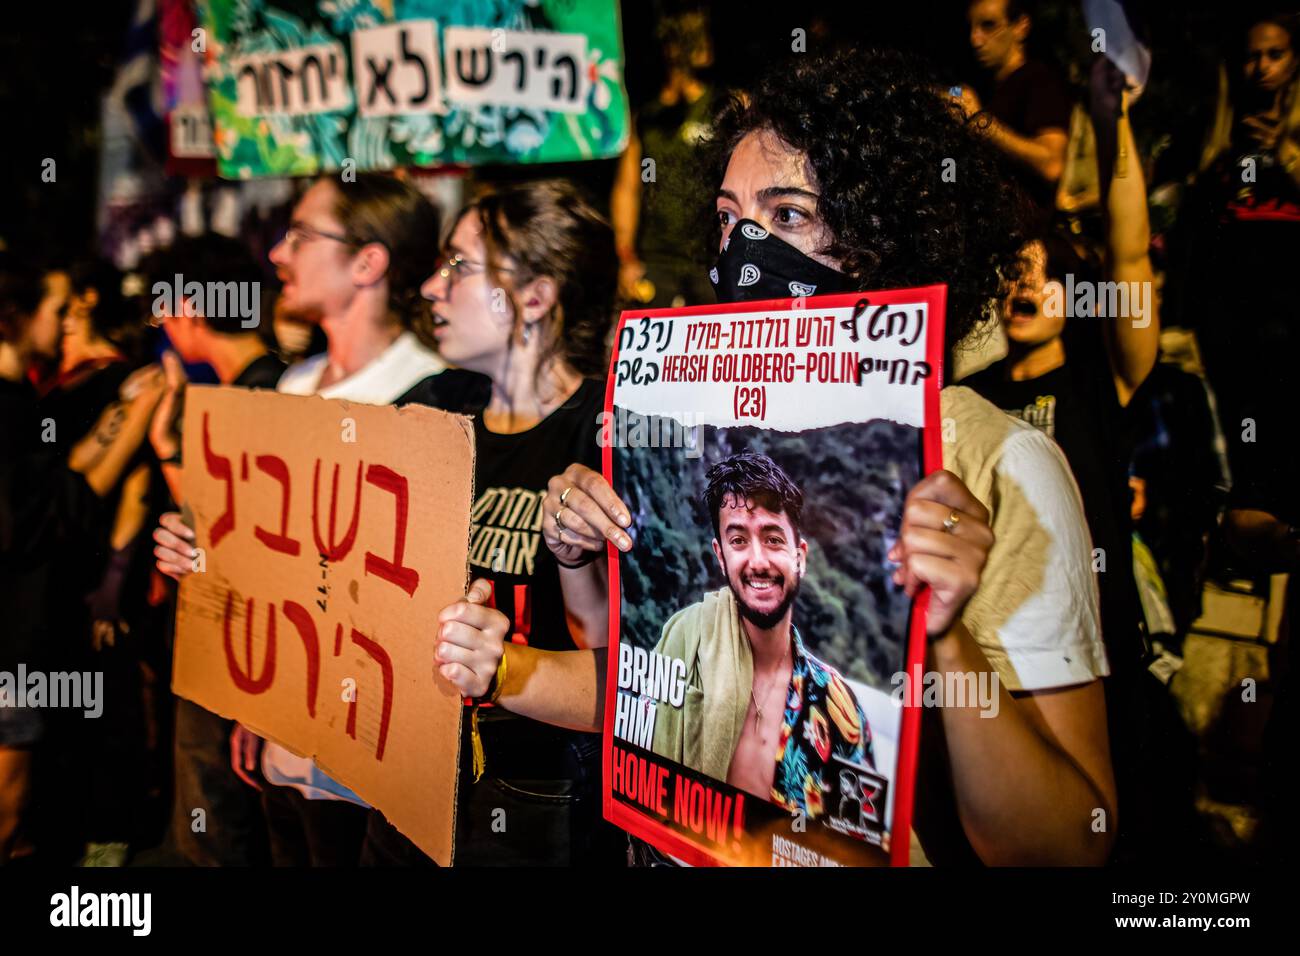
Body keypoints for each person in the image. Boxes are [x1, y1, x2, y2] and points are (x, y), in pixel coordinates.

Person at [444, 48, 1118, 866]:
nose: (745, 251)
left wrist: (942, 637)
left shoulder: (1001, 461)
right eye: (729, 219)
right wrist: (521, 638)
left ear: (882, 239)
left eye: (789, 216)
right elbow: (656, 697)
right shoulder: (689, 428)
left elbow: (1066, 843)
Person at [153, 173, 485, 866]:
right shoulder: (283, 388)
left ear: (368, 262)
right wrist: (202, 551)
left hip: (374, 780)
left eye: (303, 236)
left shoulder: (440, 400)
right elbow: (272, 570)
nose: (279, 253)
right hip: (284, 758)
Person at [370, 179, 621, 866]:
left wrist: (509, 665)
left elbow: (631, 676)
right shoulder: (437, 404)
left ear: (534, 297)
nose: (430, 287)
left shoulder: (608, 432)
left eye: (459, 266)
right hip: (411, 775)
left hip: (536, 801)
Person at [1, 258, 164, 863]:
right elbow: (43, 506)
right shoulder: (23, 396)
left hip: (49, 616)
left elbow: (83, 482)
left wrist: (115, 579)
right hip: (21, 629)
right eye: (58, 306)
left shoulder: (51, 389)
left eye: (74, 306)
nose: (67, 319)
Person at [143, 233, 288, 867]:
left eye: (164, 307)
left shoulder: (255, 397)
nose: (162, 324)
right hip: (246, 651)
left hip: (241, 651)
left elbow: (228, 539)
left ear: (190, 309)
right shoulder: (278, 381)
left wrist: (168, 450)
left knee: (218, 835)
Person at [648, 452, 873, 818]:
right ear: (720, 557)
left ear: (800, 557)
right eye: (738, 541)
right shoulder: (684, 647)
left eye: (773, 539)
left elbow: (856, 840)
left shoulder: (837, 708)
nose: (758, 562)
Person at [610, 6, 718, 307]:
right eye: (693, 38)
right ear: (671, 47)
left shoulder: (725, 105)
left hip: (710, 260)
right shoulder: (647, 117)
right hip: (656, 259)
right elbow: (627, 189)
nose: (705, 47)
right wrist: (625, 255)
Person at [960, 0, 1072, 223]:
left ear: (1021, 26)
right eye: (970, 28)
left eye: (989, 25)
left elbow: (1051, 163)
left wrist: (980, 121)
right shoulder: (987, 86)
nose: (975, 40)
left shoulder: (1039, 80)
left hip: (1027, 240)